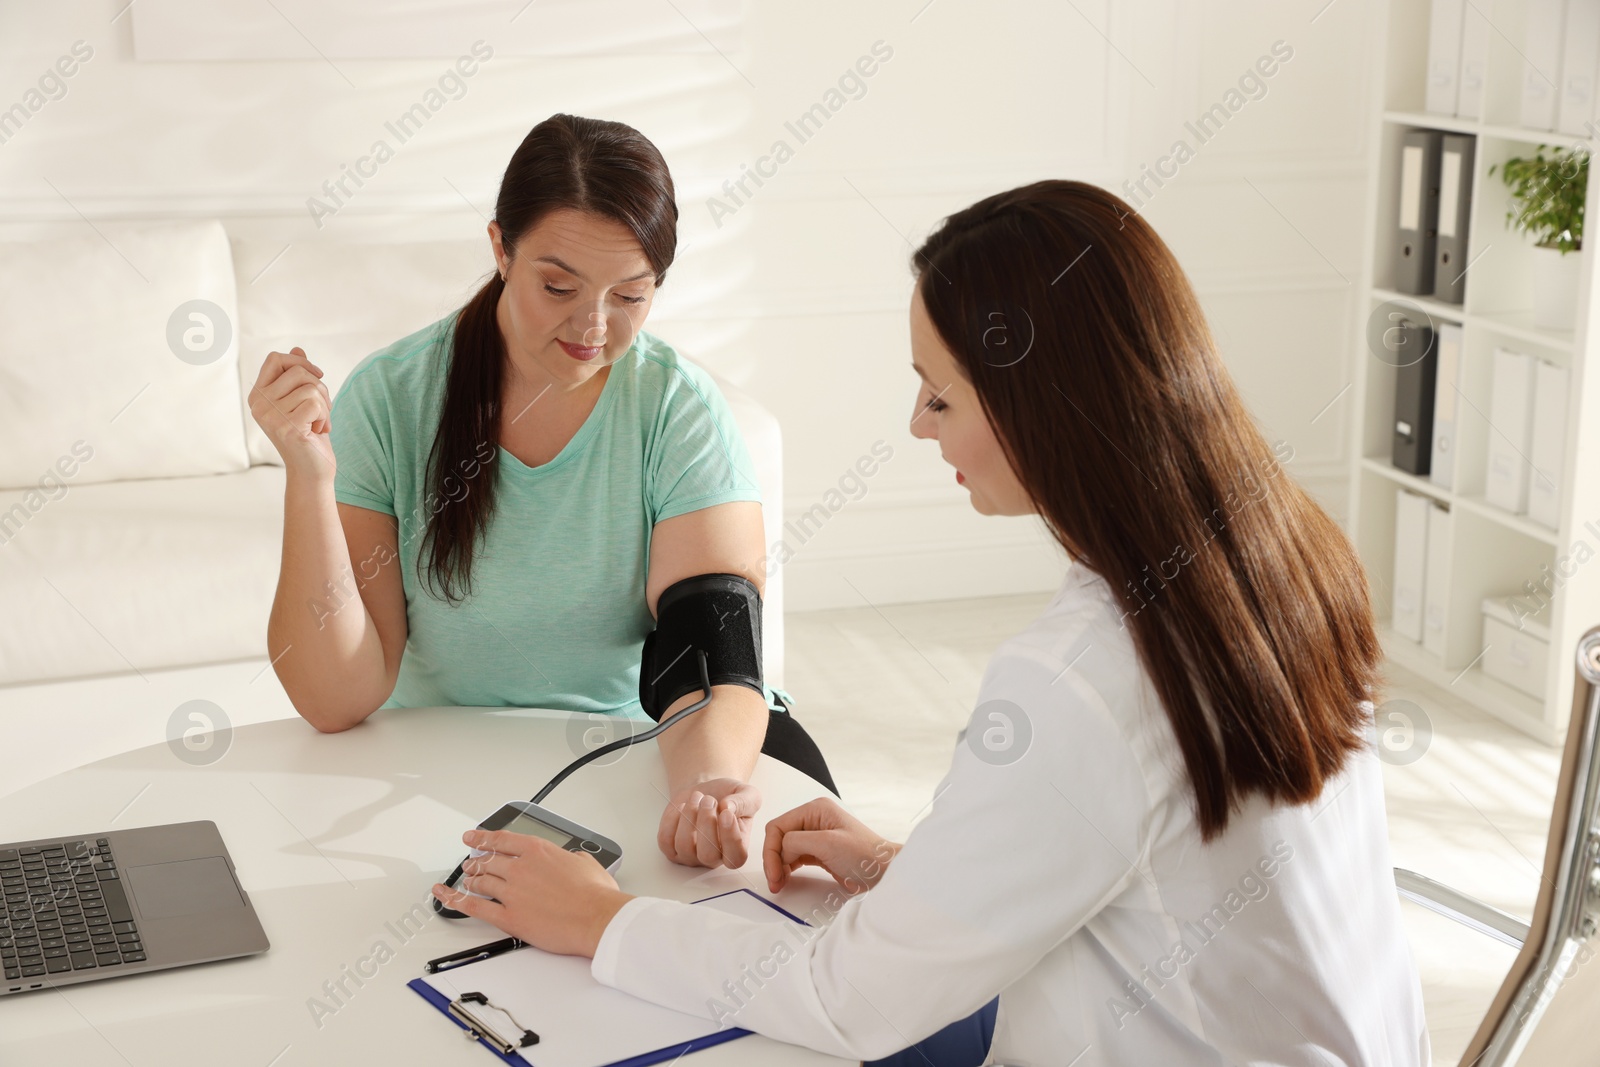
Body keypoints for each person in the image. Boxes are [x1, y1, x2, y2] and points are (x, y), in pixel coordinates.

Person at [431, 179, 1433, 1065]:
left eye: (941, 393)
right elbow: (1157, 851)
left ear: (1039, 402)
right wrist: (914, 878)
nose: (917, 423)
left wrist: (604, 919)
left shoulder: (1082, 675)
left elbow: (849, 1000)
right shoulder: (1279, 551)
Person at [250, 113, 836, 875]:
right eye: (558, 285)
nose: (592, 326)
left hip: (632, 750)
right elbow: (335, 698)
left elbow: (711, 662)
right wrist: (309, 475)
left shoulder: (677, 410)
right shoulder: (392, 396)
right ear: (500, 248)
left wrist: (705, 790)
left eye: (631, 295)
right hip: (435, 756)